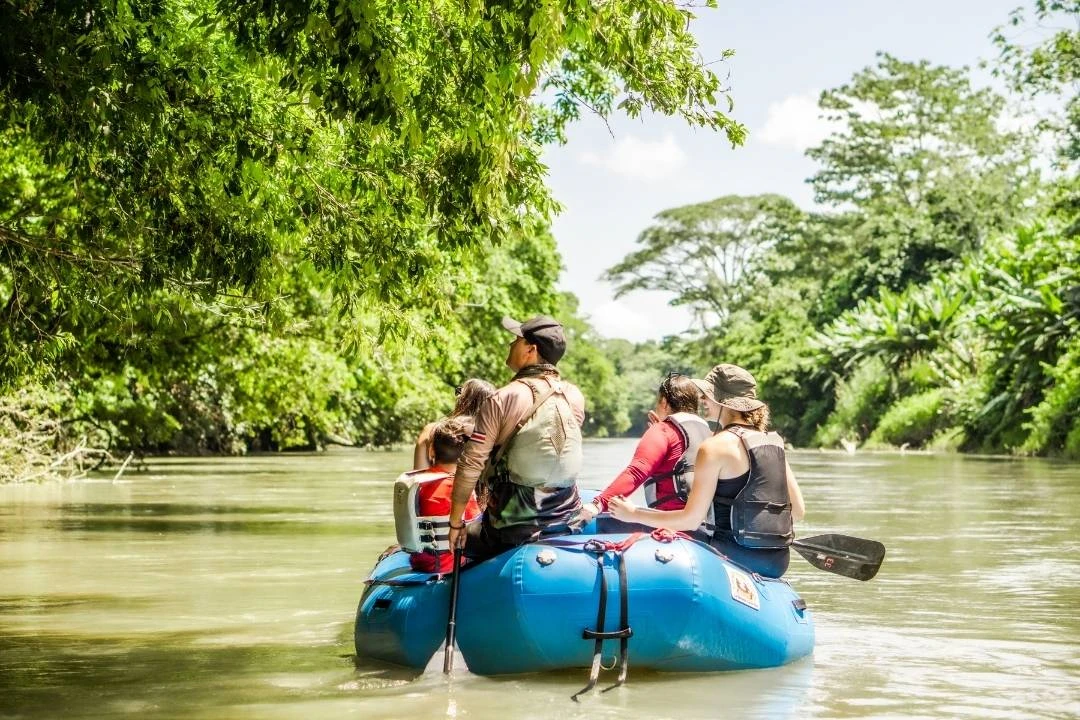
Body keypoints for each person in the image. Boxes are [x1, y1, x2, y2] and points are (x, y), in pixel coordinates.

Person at [610, 364, 805, 578]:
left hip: (733, 556)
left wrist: (633, 513)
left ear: (723, 402)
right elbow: (797, 512)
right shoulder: (773, 443)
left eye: (707, 395)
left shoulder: (714, 447)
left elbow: (691, 520)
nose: (702, 400)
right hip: (777, 561)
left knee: (629, 528)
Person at [447, 315, 586, 560]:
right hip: (567, 520)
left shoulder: (504, 398)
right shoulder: (574, 396)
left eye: (516, 340)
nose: (511, 344)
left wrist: (456, 523)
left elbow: (470, 464)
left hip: (512, 528)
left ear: (531, 350)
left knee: (465, 540)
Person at [572, 373, 712, 536]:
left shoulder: (663, 431)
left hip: (673, 528)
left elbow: (636, 472)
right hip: (703, 529)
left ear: (664, 403)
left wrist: (597, 504)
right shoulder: (709, 433)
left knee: (602, 522)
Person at [407, 417, 482, 572]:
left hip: (422, 563)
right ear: (468, 454)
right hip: (455, 566)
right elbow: (477, 528)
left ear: (432, 450)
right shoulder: (462, 488)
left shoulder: (418, 483)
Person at [413, 379, 496, 470]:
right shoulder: (491, 435)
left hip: (437, 483)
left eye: (459, 392)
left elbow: (419, 474)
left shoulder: (431, 430)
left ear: (463, 399)